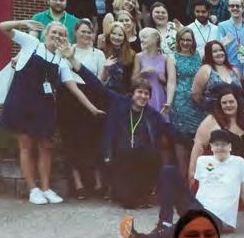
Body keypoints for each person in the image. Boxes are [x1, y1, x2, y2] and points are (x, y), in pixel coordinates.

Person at [116, 129, 244, 238]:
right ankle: (164, 223)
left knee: (195, 219)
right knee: (168, 171)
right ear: (211, 146)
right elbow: (197, 188)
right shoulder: (202, 161)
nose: (220, 147)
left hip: (220, 220)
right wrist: (186, 201)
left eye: (224, 144)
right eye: (216, 144)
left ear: (230, 146)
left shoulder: (239, 162)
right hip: (198, 208)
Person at [0, 19, 103, 205]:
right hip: (23, 103)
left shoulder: (61, 61)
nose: (57, 36)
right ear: (46, 33)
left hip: (44, 106)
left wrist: (92, 108)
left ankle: (46, 188)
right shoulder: (32, 44)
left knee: (46, 146)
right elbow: (2, 27)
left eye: (62, 34)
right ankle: (33, 189)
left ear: (65, 39)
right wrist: (24, 23)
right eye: (54, 32)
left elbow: (74, 88)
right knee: (26, 146)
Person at [62, 44, 175, 207]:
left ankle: (142, 191)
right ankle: (122, 190)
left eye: (146, 94)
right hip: (118, 157)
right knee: (127, 201)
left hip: (143, 161)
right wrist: (72, 60)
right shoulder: (120, 102)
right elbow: (96, 84)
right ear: (133, 93)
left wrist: (198, 141)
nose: (143, 96)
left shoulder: (152, 115)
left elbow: (171, 131)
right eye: (140, 92)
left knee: (146, 164)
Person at [57, 19, 107, 199]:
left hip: (92, 98)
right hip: (69, 99)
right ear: (75, 32)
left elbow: (100, 80)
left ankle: (98, 182)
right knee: (72, 141)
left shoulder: (98, 54)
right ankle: (78, 185)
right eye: (83, 31)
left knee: (92, 140)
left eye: (89, 32)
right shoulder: (67, 50)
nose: (86, 35)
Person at [188, 87, 244, 181]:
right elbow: (198, 146)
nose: (228, 105)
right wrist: (192, 172)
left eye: (231, 102)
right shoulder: (211, 120)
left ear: (238, 102)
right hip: (221, 172)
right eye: (224, 103)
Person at [172, 28, 206, 178]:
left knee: (197, 139)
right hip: (180, 101)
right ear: (178, 40)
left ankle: (195, 180)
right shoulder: (172, 57)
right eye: (183, 39)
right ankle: (182, 180)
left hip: (197, 101)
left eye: (189, 40)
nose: (186, 43)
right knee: (181, 139)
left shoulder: (198, 56)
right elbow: (171, 81)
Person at [192, 40, 243, 114]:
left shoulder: (234, 70)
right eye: (215, 51)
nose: (219, 53)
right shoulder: (205, 69)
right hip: (213, 115)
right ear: (209, 54)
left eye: (221, 50)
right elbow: (196, 94)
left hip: (235, 114)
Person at [133, 27, 176, 116]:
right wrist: (142, 72)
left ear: (155, 39)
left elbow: (171, 82)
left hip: (159, 95)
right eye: (141, 38)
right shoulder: (139, 57)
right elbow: (133, 80)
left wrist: (168, 102)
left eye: (145, 37)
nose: (142, 40)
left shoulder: (166, 58)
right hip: (143, 95)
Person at [217, 0, 244, 74]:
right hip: (228, 68)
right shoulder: (222, 26)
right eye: (232, 6)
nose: (235, 8)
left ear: (243, 9)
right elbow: (219, 48)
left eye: (238, 6)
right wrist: (224, 41)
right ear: (228, 8)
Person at [100, 21, 136, 93]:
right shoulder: (101, 52)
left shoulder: (131, 54)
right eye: (113, 33)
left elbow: (131, 79)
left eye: (120, 35)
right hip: (104, 93)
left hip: (123, 94)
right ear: (109, 35)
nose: (116, 37)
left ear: (124, 37)